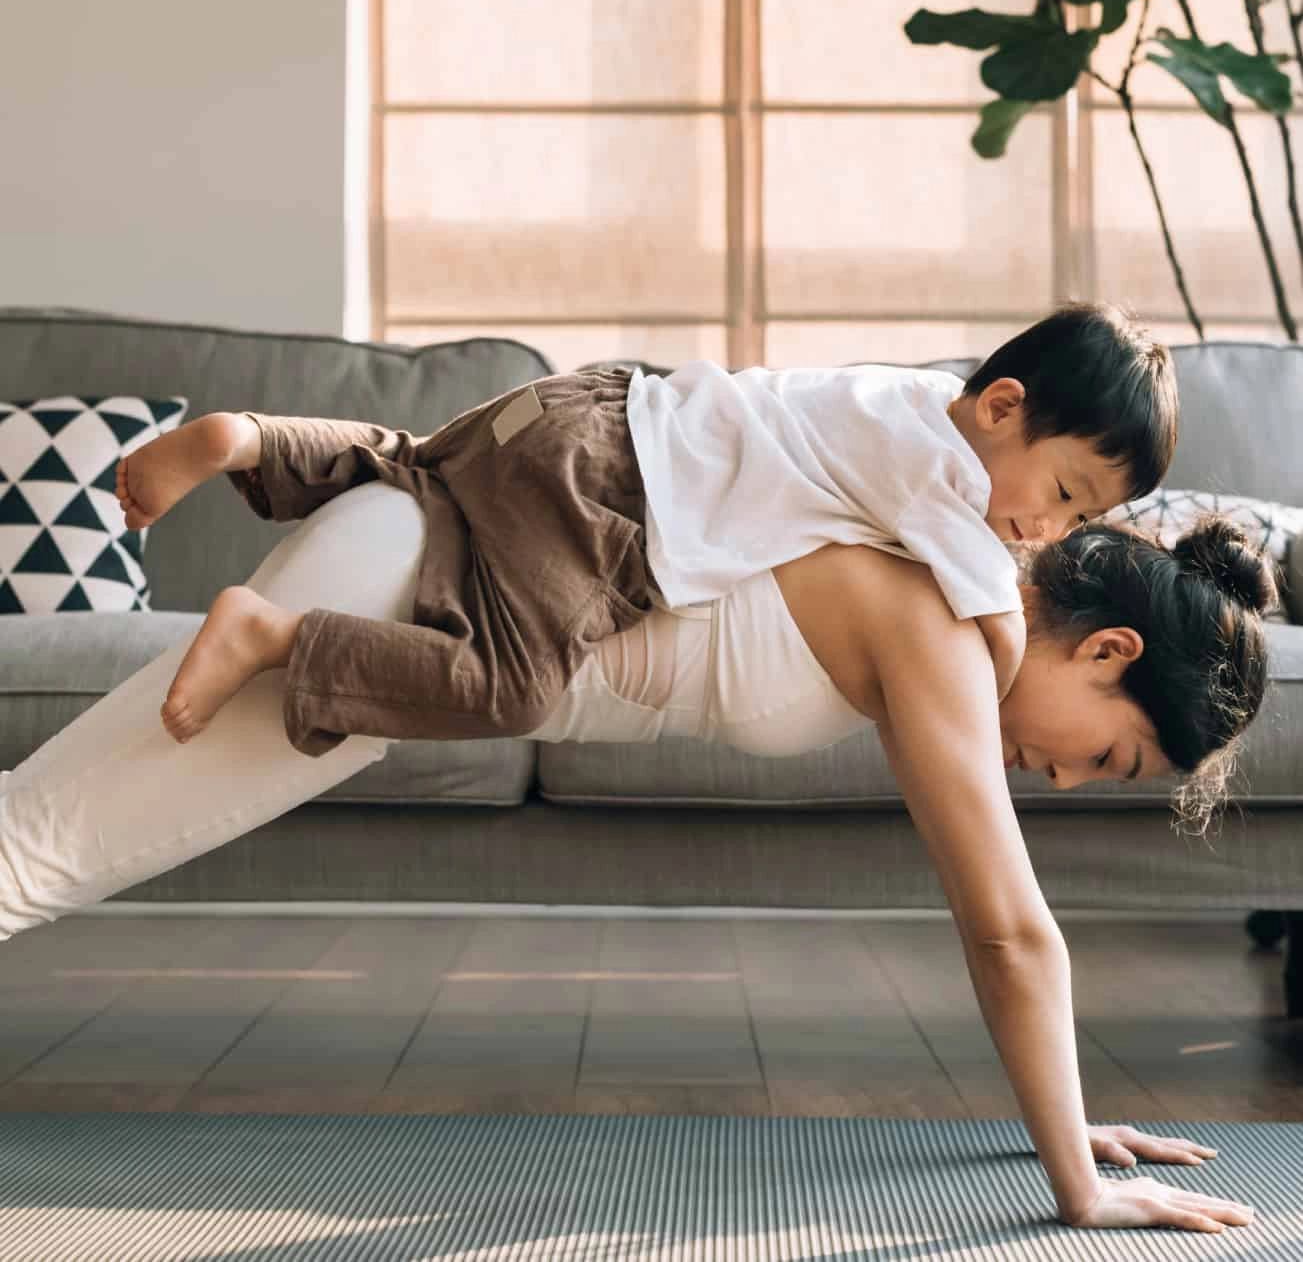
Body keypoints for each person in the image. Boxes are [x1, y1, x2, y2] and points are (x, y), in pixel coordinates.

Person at [0, 472, 1269, 1234]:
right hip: (398, 594)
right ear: (1107, 652)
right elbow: (1006, 927)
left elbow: (1000, 921)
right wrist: (1080, 1187)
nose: (1058, 779)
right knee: (34, 856)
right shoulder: (945, 619)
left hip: (408, 595)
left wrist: (1067, 1111)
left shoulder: (952, 577)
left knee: (29, 841)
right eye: (1104, 758)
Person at [114, 303, 1177, 751]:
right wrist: (997, 671)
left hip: (582, 410)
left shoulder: (906, 397)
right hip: (605, 504)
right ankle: (274, 641)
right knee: (508, 689)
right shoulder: (939, 473)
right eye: (1066, 492)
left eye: (1079, 517)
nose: (1046, 526)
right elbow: (992, 627)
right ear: (1000, 410)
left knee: (422, 472)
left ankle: (249, 439)